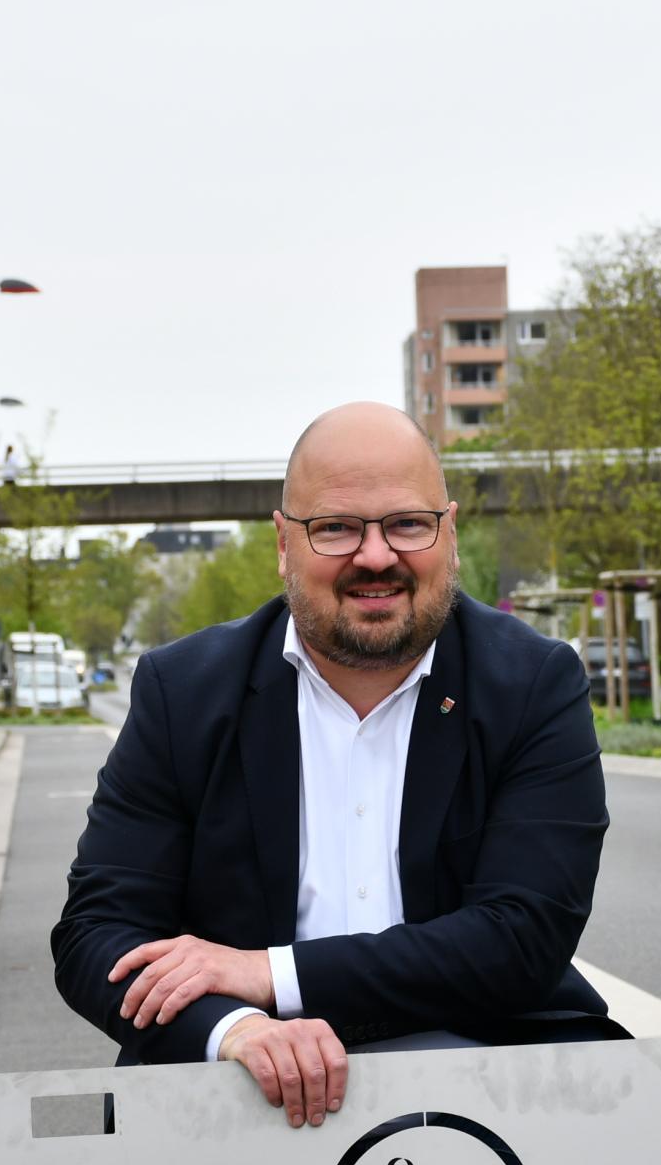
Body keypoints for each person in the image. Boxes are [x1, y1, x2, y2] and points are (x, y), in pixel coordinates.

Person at [51, 401, 622, 1121]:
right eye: (336, 528)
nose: (375, 556)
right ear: (283, 543)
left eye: (407, 524)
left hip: (490, 1070)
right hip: (239, 1095)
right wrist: (236, 1029)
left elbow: (524, 936)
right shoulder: (184, 692)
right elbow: (97, 936)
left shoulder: (534, 683)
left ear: (449, 534)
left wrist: (269, 976)